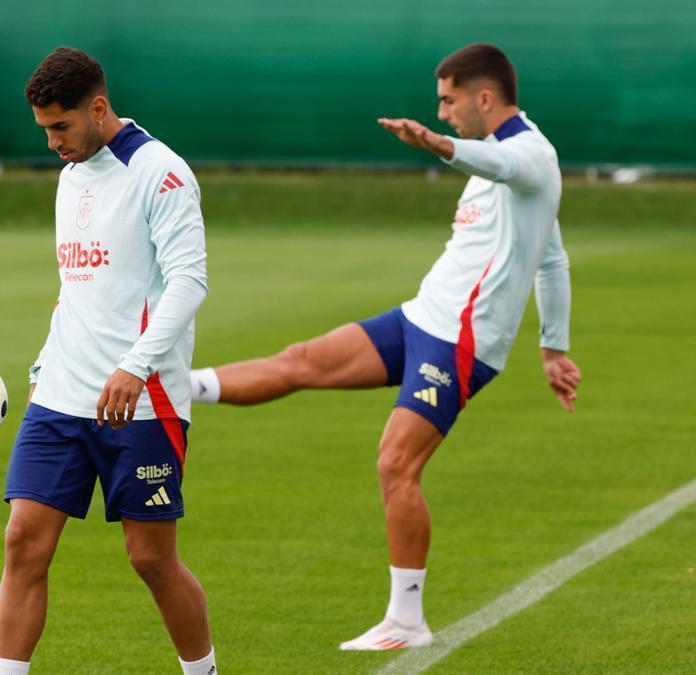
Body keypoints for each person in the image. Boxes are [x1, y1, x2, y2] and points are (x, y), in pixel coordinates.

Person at [189, 43, 581, 651]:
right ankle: (174, 385)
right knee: (301, 361)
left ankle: (407, 620)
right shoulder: (502, 165)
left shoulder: (531, 156)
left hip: (461, 343)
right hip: (421, 318)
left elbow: (505, 169)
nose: (444, 113)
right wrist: (554, 348)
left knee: (396, 464)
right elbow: (551, 259)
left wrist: (438, 145)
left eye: (449, 102)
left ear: (484, 98)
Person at [0, 47, 217, 675]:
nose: (52, 143)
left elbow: (189, 283)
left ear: (98, 108)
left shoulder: (163, 173)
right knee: (22, 544)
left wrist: (135, 366)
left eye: (60, 127)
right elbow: (78, 285)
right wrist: (46, 360)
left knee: (150, 558)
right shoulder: (69, 178)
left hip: (144, 401)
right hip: (60, 398)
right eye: (44, 131)